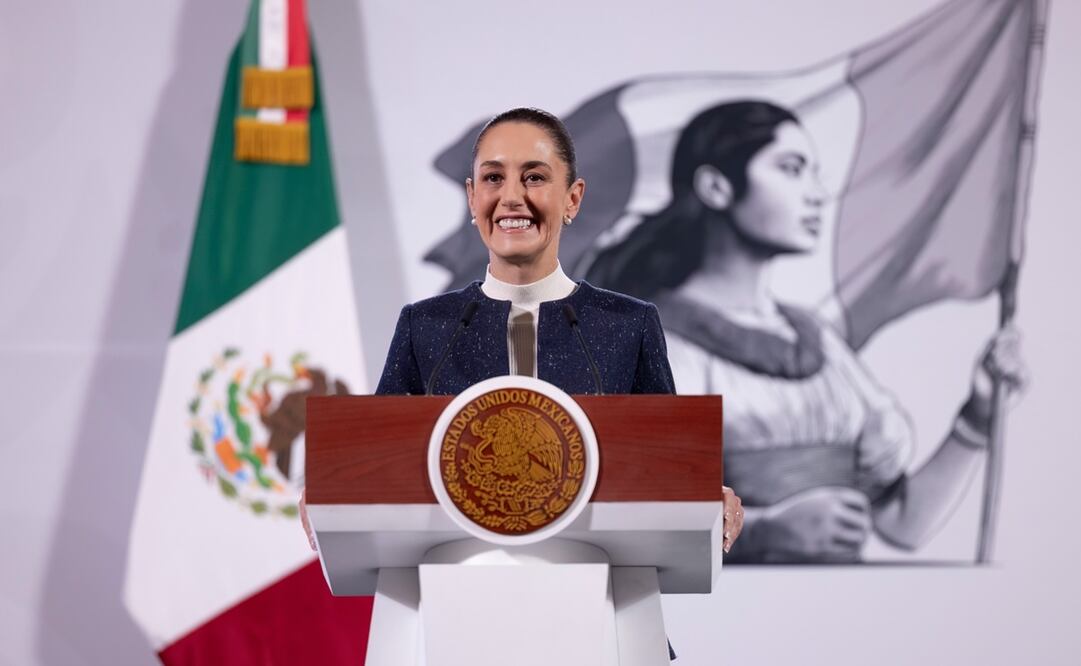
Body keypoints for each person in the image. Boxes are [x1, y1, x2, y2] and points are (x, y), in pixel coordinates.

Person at [585, 101, 1026, 563]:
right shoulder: (656, 340)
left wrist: (976, 419)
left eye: (814, 173)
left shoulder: (820, 344)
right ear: (716, 187)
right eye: (791, 169)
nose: (816, 193)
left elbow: (902, 523)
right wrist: (763, 531)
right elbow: (631, 526)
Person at [301, 107, 744, 552]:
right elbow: (378, 470)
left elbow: (670, 470)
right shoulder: (426, 327)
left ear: (572, 199)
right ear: (473, 199)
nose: (511, 197)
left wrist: (706, 496)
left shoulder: (628, 325)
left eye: (534, 177)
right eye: (493, 178)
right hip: (458, 592)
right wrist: (334, 494)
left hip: (595, 592)